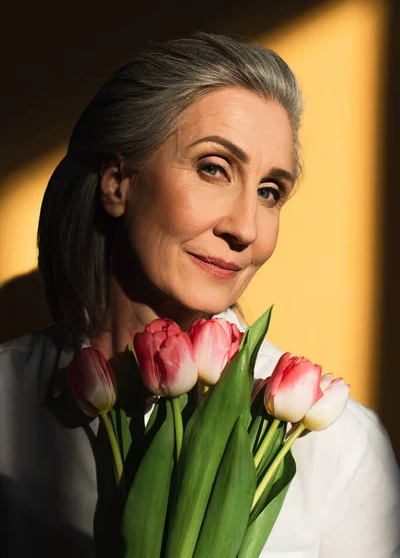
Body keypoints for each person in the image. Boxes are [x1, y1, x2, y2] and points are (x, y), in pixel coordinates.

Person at [0, 32, 399, 557]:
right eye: (214, 168)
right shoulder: (8, 404)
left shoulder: (338, 445)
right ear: (118, 181)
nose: (246, 228)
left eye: (269, 191)